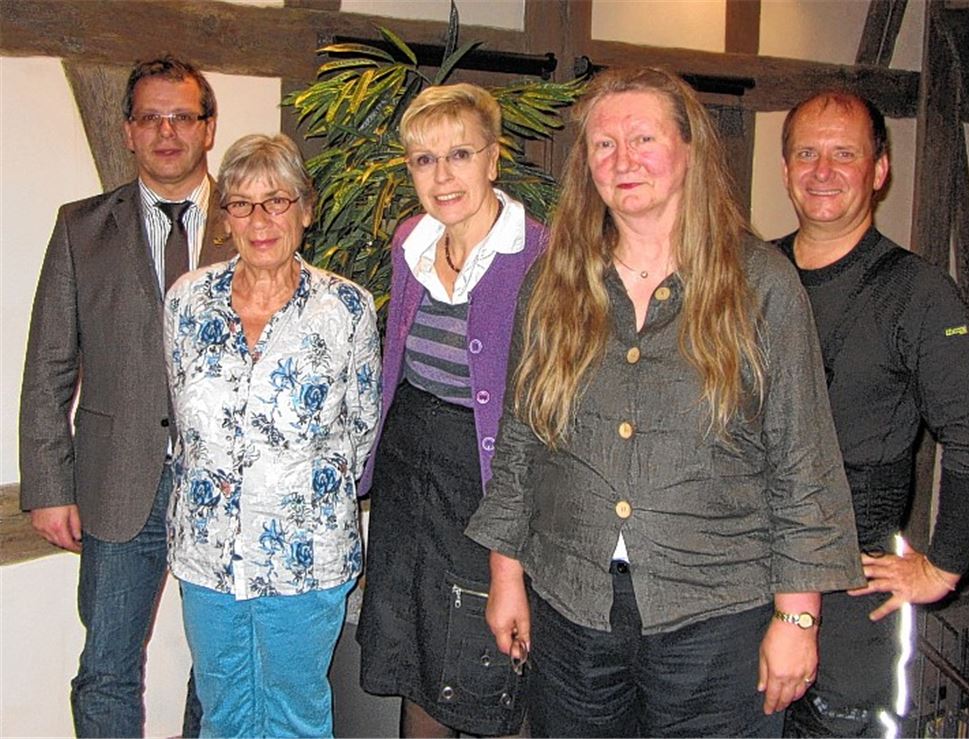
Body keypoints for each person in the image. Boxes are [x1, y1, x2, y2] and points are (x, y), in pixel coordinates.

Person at [464, 66, 865, 738]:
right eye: (602, 145)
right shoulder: (553, 284)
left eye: (643, 138)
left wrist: (798, 619)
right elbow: (522, 442)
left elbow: (802, 463)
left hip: (717, 619)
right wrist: (507, 574)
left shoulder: (761, 283)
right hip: (573, 608)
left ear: (689, 150)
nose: (621, 160)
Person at [775, 90, 969, 738]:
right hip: (747, 579)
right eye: (807, 153)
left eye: (844, 154)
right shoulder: (752, 275)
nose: (823, 170)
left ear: (879, 169)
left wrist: (942, 564)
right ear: (786, 166)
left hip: (857, 596)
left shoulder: (919, 293)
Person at [19, 54, 229, 738]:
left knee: (221, 665)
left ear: (207, 129)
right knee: (107, 665)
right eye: (150, 117)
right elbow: (49, 362)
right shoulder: (80, 228)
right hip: (116, 483)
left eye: (182, 117)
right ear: (128, 131)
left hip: (225, 490)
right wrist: (49, 484)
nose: (166, 132)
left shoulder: (255, 225)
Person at [162, 132, 381, 737]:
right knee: (222, 712)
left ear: (305, 210)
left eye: (276, 201)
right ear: (224, 216)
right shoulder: (186, 303)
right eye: (241, 203)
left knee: (296, 715)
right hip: (208, 555)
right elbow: (185, 422)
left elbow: (362, 432)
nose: (259, 220)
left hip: (304, 556)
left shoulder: (347, 310)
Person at [355, 83, 547, 737]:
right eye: (423, 160)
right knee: (417, 655)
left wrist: (514, 548)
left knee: (486, 656)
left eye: (459, 154)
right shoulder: (411, 240)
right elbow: (395, 372)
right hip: (412, 475)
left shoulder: (539, 256)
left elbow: (539, 413)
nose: (442, 176)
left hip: (486, 478)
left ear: (493, 159)